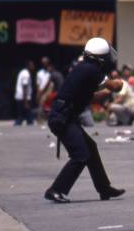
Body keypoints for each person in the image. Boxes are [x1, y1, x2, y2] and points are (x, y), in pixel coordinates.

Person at [45, 37, 126, 203]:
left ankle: (104, 188)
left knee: (91, 147)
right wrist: (119, 83)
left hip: (65, 116)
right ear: (100, 57)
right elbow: (115, 86)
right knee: (80, 155)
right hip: (63, 118)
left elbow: (90, 96)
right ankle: (55, 190)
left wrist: (105, 93)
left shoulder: (85, 69)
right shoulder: (91, 70)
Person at [14, 60, 35, 126]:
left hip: (21, 97)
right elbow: (24, 87)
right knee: (25, 114)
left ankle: (26, 122)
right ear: (28, 66)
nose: (33, 67)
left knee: (22, 115)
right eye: (32, 65)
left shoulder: (23, 72)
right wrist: (25, 101)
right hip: (24, 97)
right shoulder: (26, 74)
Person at [36, 57, 52, 123]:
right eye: (44, 63)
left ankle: (49, 119)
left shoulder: (50, 73)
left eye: (46, 63)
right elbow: (38, 84)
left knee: (49, 106)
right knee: (41, 105)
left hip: (49, 90)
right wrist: (38, 93)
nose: (45, 64)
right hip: (42, 91)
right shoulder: (39, 73)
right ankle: (40, 119)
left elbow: (50, 83)